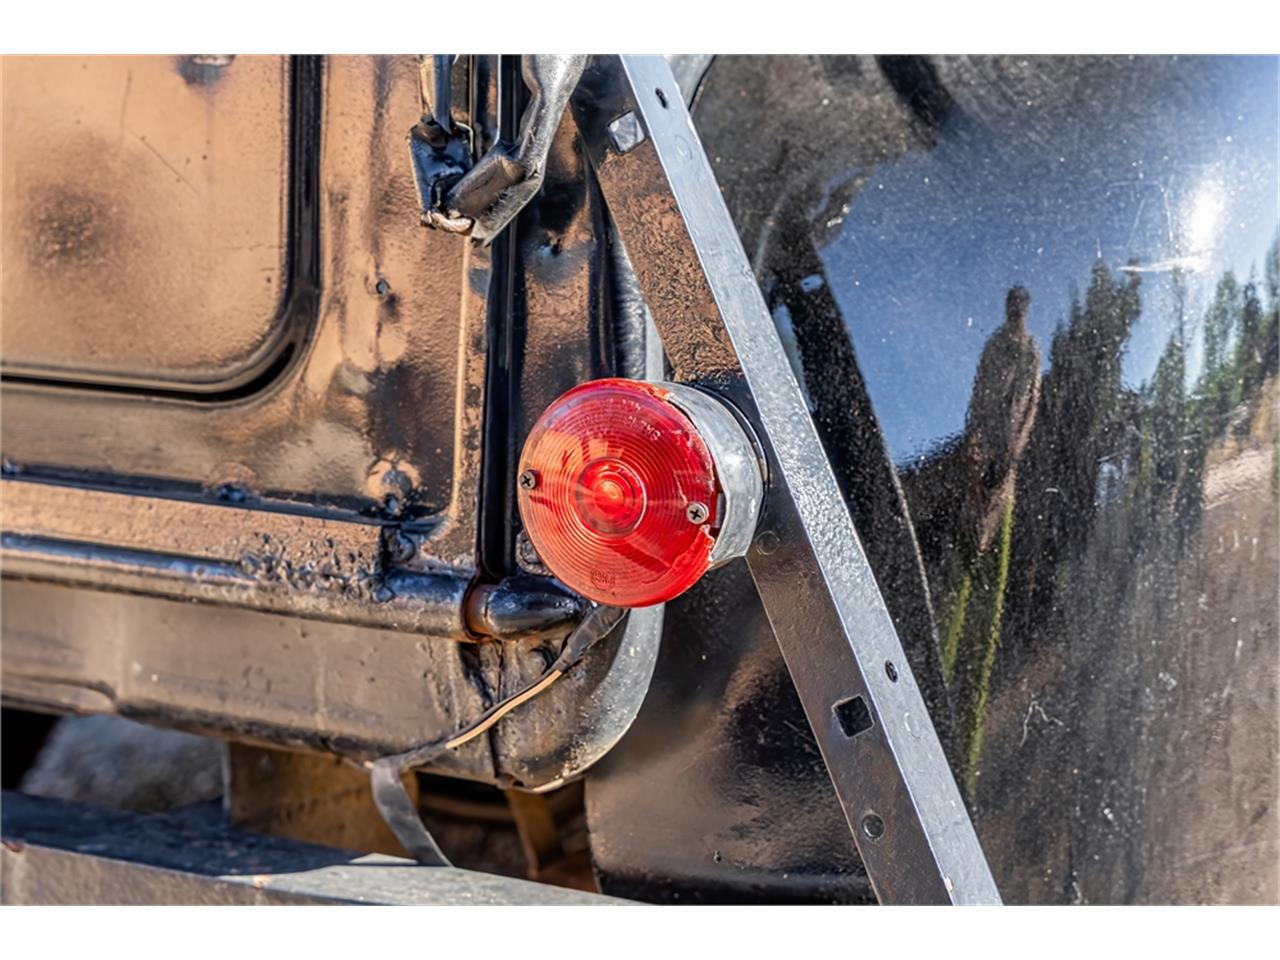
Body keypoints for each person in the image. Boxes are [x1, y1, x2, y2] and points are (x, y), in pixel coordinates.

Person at [941, 286, 1041, 797]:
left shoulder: (1030, 350)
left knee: (991, 587)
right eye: (1013, 304)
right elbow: (980, 396)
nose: (1017, 311)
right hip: (981, 468)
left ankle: (968, 746)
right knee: (965, 560)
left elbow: (1030, 404)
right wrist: (979, 457)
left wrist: (1012, 458)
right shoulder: (995, 346)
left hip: (1009, 470)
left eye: (1022, 305)